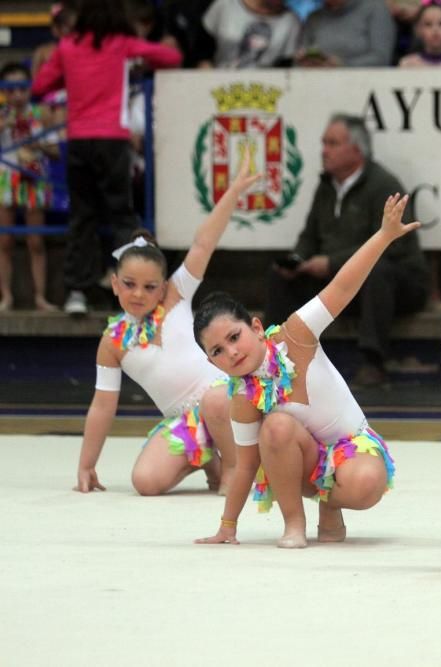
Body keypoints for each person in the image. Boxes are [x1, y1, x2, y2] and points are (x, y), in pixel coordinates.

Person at [193, 193, 415, 548]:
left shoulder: (296, 334)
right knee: (277, 426)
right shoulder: (243, 400)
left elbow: (342, 286)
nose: (232, 352)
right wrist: (227, 526)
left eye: (235, 337)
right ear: (210, 361)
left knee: (366, 484)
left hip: (353, 449)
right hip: (303, 461)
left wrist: (384, 236)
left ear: (254, 325)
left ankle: (330, 504)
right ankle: (294, 524)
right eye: (218, 351)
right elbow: (245, 466)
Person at [73, 154, 260, 496]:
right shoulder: (112, 343)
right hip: (188, 423)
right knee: (146, 482)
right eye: (129, 285)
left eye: (149, 287)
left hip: (228, 401)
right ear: (114, 284)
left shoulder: (176, 297)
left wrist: (232, 192)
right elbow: (102, 405)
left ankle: (235, 468)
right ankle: (213, 464)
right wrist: (86, 463)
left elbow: (203, 243)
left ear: (163, 285)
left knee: (215, 402)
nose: (139, 294)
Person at [31, 0, 182, 316]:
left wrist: (68, 79)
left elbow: (40, 86)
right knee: (121, 215)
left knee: (82, 216)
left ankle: (76, 291)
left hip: (78, 139)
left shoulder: (68, 46)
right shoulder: (121, 44)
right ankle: (132, 291)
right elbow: (172, 57)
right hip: (113, 140)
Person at [265, 114, 428, 386]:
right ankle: (275, 356)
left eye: (332, 143)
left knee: (378, 274)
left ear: (356, 150)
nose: (324, 150)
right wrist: (297, 260)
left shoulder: (383, 185)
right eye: (324, 143)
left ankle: (373, 362)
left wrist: (331, 263)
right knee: (279, 277)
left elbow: (392, 244)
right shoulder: (326, 186)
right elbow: (309, 234)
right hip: (341, 281)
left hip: (398, 283)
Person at [0, 62, 60, 312]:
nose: (17, 95)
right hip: (7, 178)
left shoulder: (41, 115)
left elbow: (56, 151)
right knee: (4, 242)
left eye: (21, 89)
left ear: (28, 89)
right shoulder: (1, 115)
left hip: (34, 179)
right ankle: (6, 297)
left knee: (36, 241)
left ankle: (40, 297)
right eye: (11, 89)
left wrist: (38, 146)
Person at [296, 0, 395, 68]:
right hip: (315, 84)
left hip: (363, 86)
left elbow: (381, 58)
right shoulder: (314, 17)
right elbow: (302, 53)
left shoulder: (375, 8)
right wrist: (307, 60)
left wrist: (342, 64)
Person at [203, 0, 300, 68]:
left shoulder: (291, 20)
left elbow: (286, 66)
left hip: (265, 89)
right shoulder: (225, 5)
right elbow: (202, 52)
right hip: (218, 83)